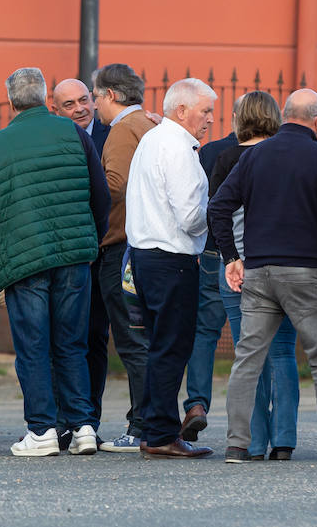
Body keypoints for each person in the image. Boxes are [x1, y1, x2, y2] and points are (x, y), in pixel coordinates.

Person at [213, 88, 317, 463]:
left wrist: (232, 257)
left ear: (285, 114)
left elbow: (220, 206)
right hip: (304, 271)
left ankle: (238, 444)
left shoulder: (254, 156)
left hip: (258, 272)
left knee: (248, 358)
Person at [0, 67, 110, 457]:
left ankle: (42, 430)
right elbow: (100, 195)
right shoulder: (74, 134)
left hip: (24, 258)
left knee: (33, 346)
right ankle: (83, 427)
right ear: (45, 96)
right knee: (72, 343)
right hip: (75, 256)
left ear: (12, 100)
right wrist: (91, 237)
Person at [125, 78, 217, 459]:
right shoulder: (178, 148)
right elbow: (191, 217)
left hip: (144, 255)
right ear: (182, 110)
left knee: (158, 346)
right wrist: (219, 208)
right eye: (206, 110)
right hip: (171, 259)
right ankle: (161, 433)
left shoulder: (151, 140)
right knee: (171, 347)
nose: (211, 118)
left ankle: (152, 428)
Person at [207, 91, 298, 460]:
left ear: (239, 118)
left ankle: (254, 441)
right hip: (285, 264)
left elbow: (217, 214)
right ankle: (285, 440)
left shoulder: (227, 157)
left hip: (236, 267)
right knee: (282, 352)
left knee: (249, 354)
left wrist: (231, 256)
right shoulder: (288, 156)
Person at [92, 63, 156, 452]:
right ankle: (155, 420)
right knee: (147, 338)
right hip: (150, 248)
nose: (94, 104)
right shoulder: (152, 128)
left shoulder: (120, 132)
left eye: (96, 96)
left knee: (132, 342)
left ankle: (141, 425)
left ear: (111, 95)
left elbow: (113, 187)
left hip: (120, 247)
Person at [51, 77, 109, 448]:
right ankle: (63, 420)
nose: (79, 108)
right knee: (60, 339)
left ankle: (89, 416)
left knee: (93, 339)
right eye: (69, 104)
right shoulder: (54, 136)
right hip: (61, 255)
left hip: (100, 252)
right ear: (56, 109)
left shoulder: (113, 133)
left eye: (84, 99)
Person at [181, 104, 239, 443]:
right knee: (261, 336)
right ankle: (261, 420)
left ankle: (197, 404)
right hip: (258, 255)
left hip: (214, 250)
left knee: (205, 331)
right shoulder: (269, 153)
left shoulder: (211, 152)